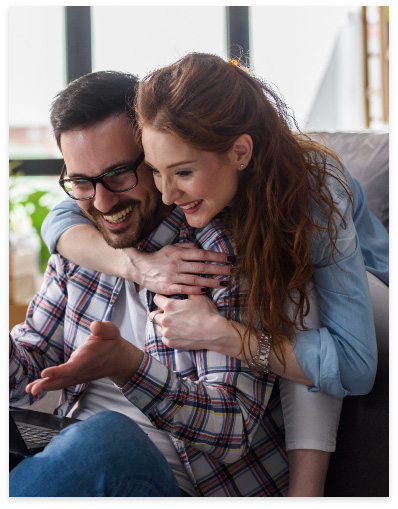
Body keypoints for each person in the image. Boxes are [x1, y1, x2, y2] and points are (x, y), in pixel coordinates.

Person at [36, 52, 387, 491]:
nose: (165, 194)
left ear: (240, 152)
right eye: (157, 172)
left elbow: (352, 368)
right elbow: (61, 218)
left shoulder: (313, 200)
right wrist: (140, 266)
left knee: (299, 295)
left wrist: (221, 333)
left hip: (375, 286)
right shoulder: (172, 161)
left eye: (180, 172)